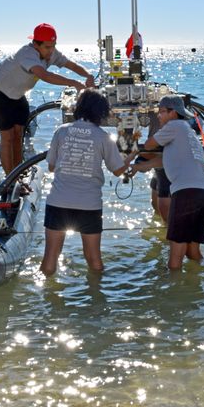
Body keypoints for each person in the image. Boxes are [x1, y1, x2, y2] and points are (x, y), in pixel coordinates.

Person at [40, 89, 135, 276]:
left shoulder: (61, 131)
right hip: (89, 204)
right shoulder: (103, 137)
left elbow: (51, 167)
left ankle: (46, 299)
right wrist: (132, 155)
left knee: (50, 257)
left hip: (58, 201)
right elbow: (117, 170)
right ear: (100, 112)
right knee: (94, 258)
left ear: (79, 107)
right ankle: (96, 300)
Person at [0, 23, 96, 174]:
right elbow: (45, 75)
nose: (51, 51)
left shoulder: (52, 52)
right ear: (36, 44)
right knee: (8, 137)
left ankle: (18, 174)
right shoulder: (27, 54)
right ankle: (9, 180)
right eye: (48, 47)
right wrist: (74, 83)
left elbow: (71, 65)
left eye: (54, 46)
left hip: (17, 95)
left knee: (19, 135)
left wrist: (88, 75)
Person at [132, 95, 204, 270]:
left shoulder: (174, 126)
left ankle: (174, 291)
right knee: (193, 252)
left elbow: (149, 144)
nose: (158, 116)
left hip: (186, 194)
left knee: (175, 257)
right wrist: (140, 167)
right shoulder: (187, 132)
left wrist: (131, 146)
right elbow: (164, 162)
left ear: (173, 113)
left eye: (161, 112)